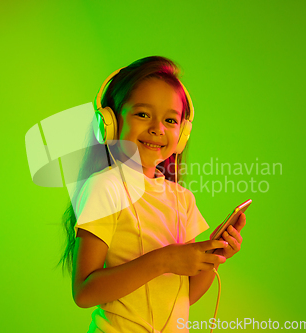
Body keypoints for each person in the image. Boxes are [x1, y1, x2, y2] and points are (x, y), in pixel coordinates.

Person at [59, 56, 246, 332]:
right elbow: (85, 292)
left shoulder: (182, 200)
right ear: (109, 122)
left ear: (182, 134)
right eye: (143, 114)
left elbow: (186, 295)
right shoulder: (105, 188)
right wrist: (165, 260)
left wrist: (213, 257)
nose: (157, 128)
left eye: (170, 120)